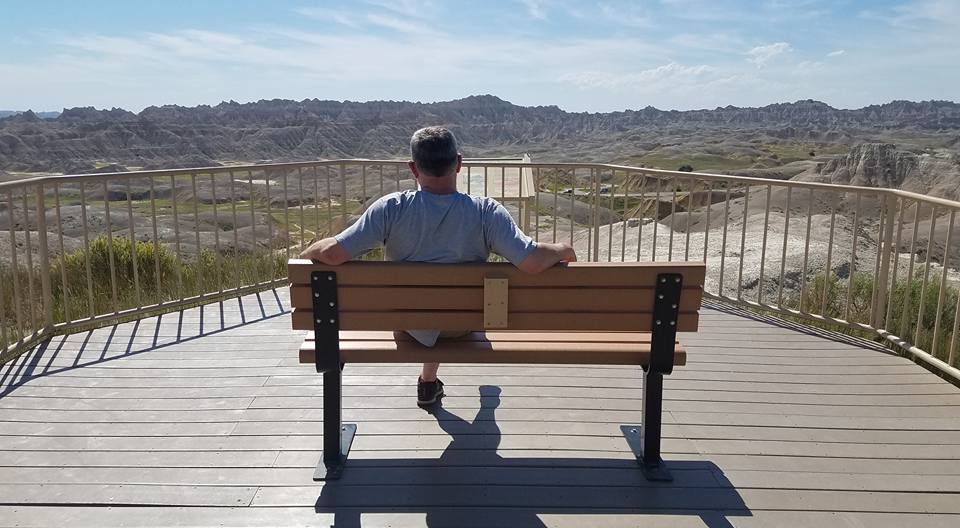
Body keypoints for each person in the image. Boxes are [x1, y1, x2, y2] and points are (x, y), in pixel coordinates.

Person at [299, 126, 577, 406]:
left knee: (426, 310)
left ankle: (429, 382)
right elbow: (531, 261)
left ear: (413, 167)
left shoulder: (390, 209)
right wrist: (563, 249)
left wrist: (306, 251)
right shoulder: (486, 213)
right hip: (463, 322)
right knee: (447, 309)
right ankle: (429, 382)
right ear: (458, 163)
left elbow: (333, 254)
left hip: (408, 321)